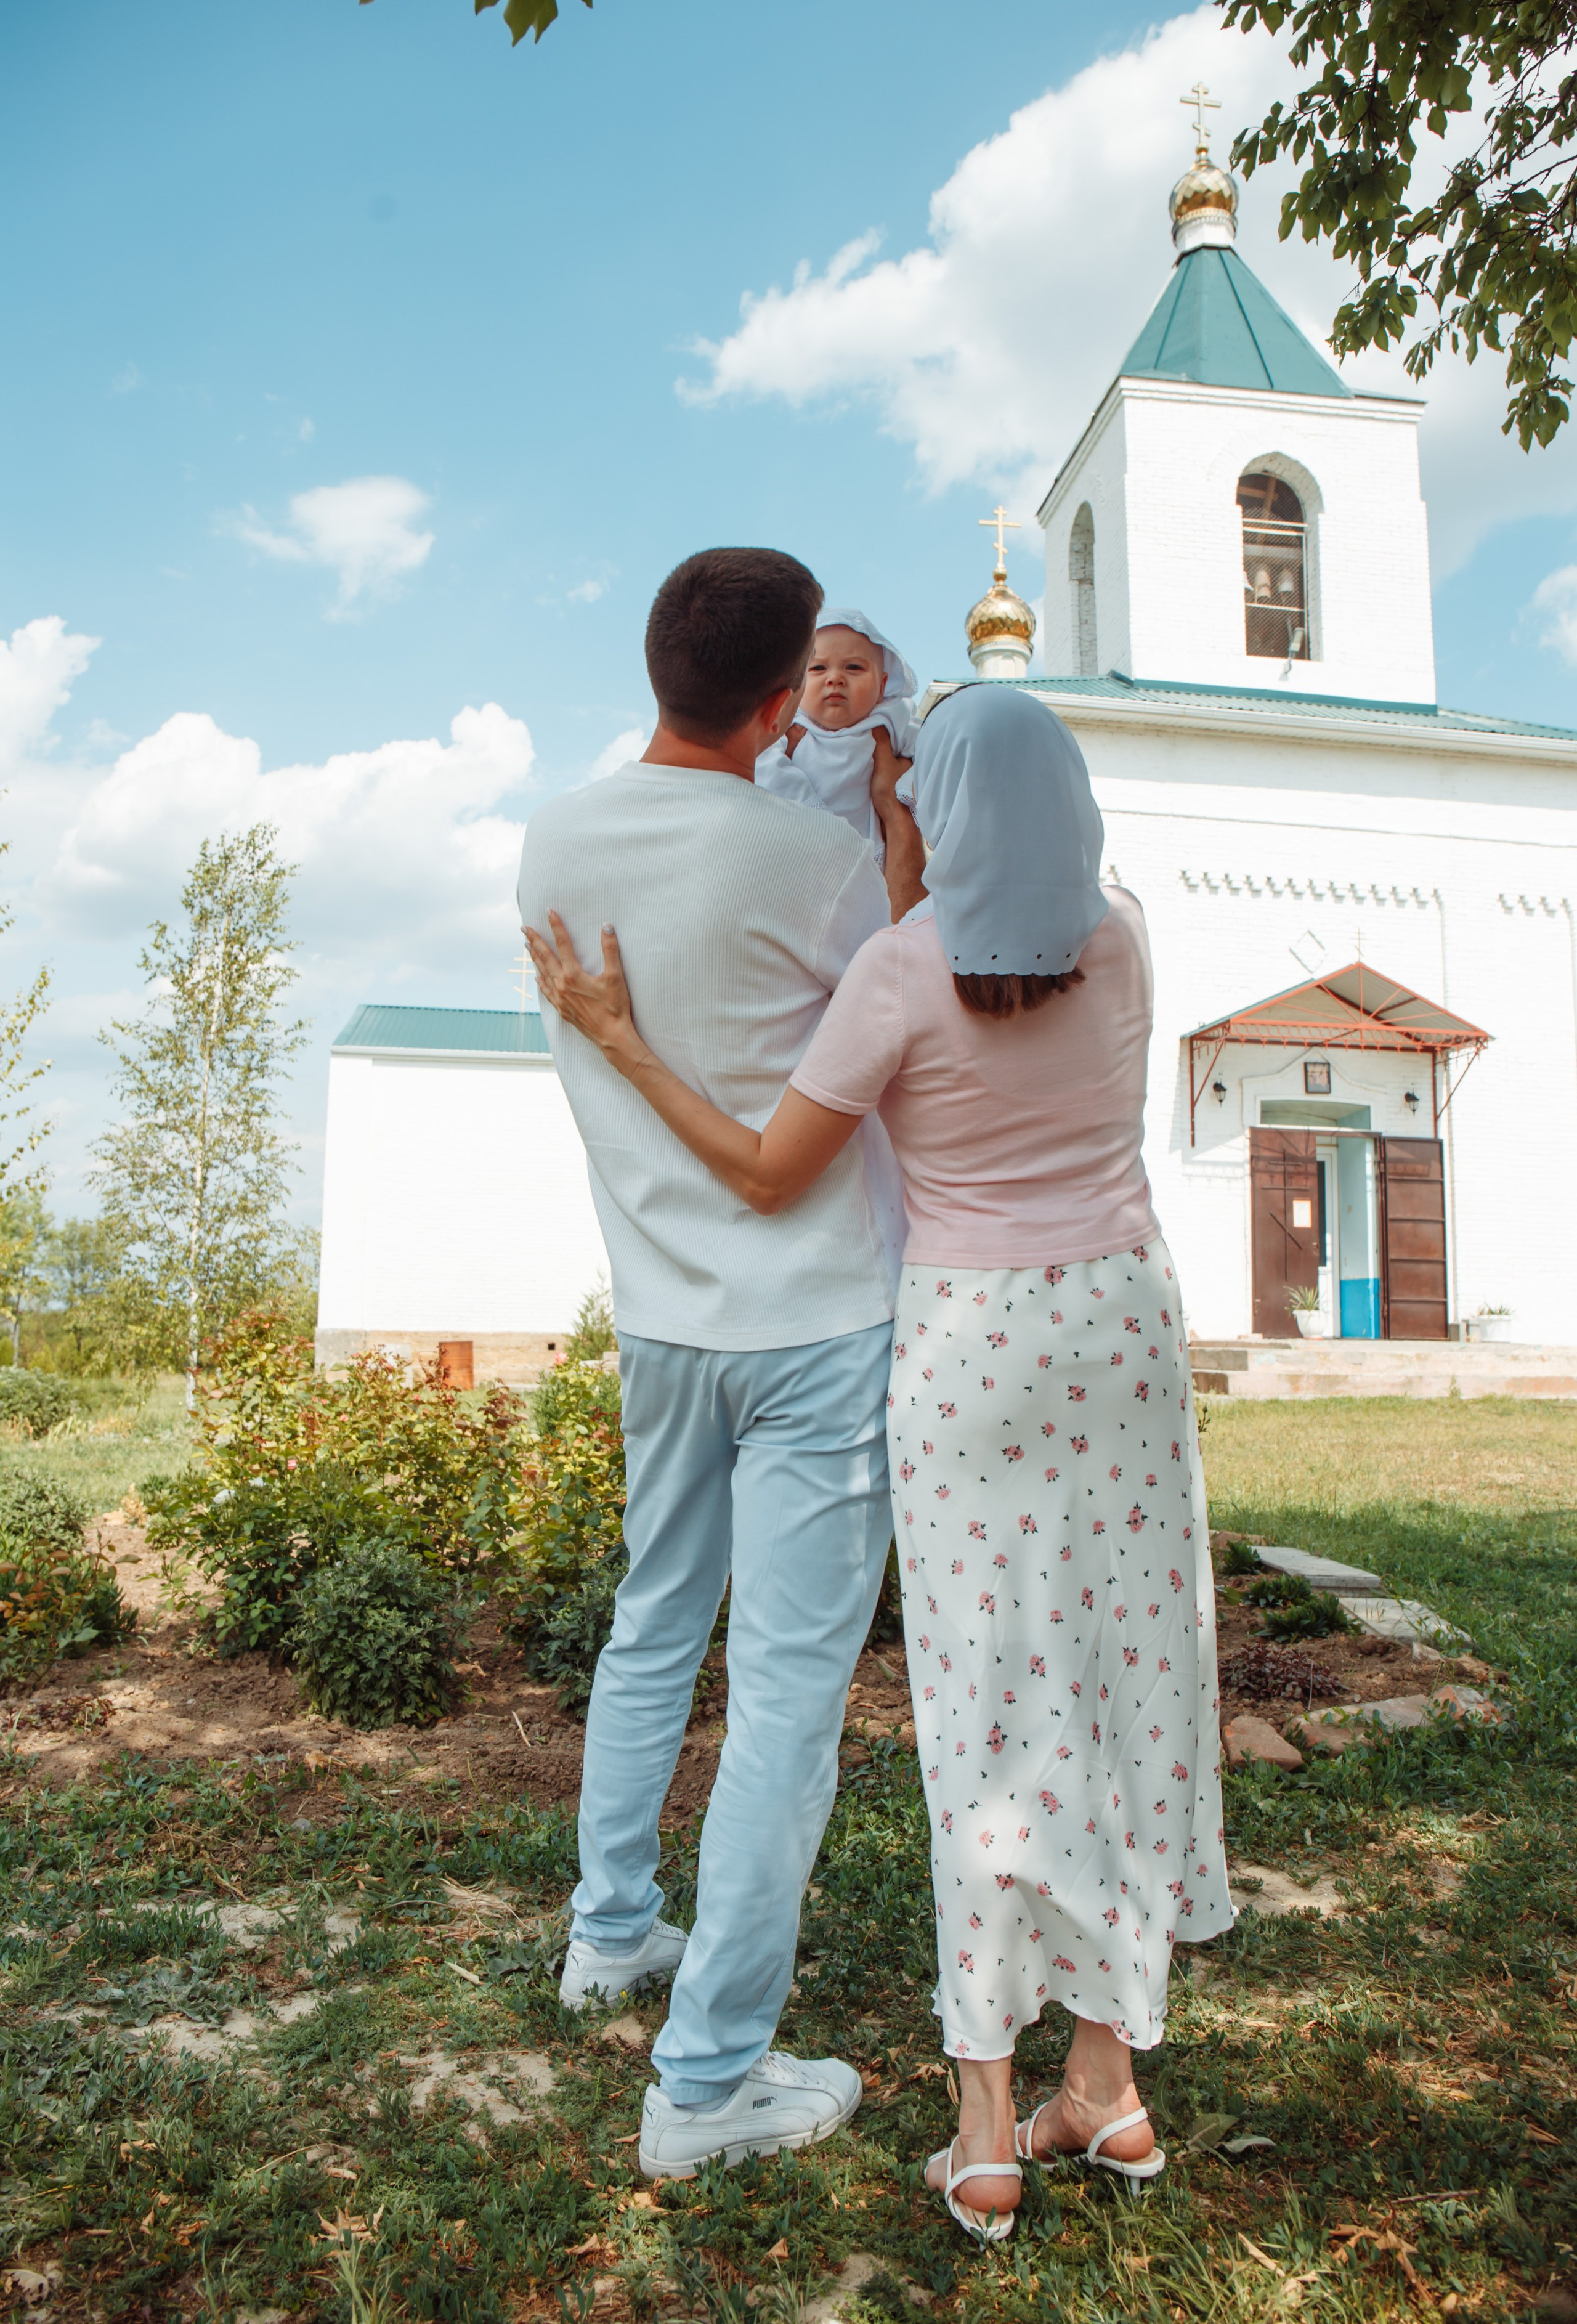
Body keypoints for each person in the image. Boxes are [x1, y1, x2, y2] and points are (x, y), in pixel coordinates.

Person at [526, 682, 1233, 2240]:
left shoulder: (896, 977)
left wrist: (621, 1039)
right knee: (1127, 1681)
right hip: (1119, 1326)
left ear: (941, 807)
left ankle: (986, 2124)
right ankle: (1103, 2081)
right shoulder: (1118, 934)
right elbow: (1024, 911)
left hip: (969, 1345)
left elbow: (774, 1177)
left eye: (912, 776)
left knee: (978, 1709)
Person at [516, 546, 926, 2183]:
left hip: (661, 1310)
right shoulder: (812, 857)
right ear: (784, 703)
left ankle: (611, 1926)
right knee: (786, 1703)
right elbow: (902, 1020)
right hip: (818, 1319)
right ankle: (709, 2077)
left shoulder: (551, 838)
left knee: (650, 1622)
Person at [755, 611, 919, 869]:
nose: (835, 679)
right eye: (818, 668)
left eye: (853, 667)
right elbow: (765, 768)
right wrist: (812, 811)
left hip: (868, 853)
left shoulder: (890, 721)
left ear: (882, 686)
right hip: (800, 840)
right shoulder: (788, 726)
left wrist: (910, 792)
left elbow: (927, 756)